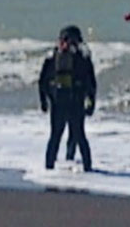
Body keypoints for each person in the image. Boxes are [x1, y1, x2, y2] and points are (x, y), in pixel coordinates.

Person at [39, 25, 96, 171]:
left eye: (70, 41)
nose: (67, 44)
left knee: (77, 136)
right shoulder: (53, 59)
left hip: (74, 102)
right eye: (64, 40)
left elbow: (91, 84)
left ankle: (85, 168)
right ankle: (49, 168)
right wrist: (44, 101)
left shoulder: (82, 60)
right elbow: (43, 81)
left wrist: (91, 103)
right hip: (59, 103)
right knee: (57, 136)